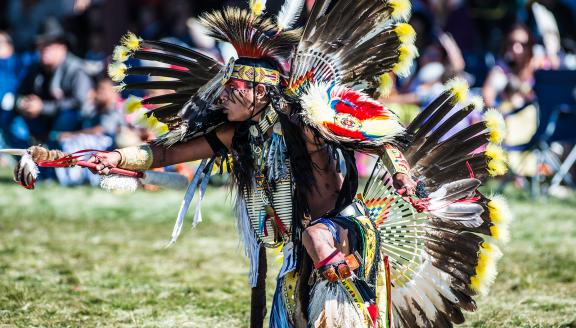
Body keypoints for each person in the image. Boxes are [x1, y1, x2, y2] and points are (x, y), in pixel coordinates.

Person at [15, 1, 512, 327]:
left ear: (258, 90)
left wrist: (404, 177)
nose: (224, 96)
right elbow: (166, 153)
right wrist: (112, 157)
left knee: (319, 243)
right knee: (299, 276)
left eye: (233, 88)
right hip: (303, 249)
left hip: (343, 233)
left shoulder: (311, 116)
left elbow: (382, 136)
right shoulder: (237, 134)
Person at [13, 17, 94, 149]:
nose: (43, 48)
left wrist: (42, 107)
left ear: (62, 46)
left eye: (48, 44)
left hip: (75, 126)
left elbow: (79, 103)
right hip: (41, 122)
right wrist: (24, 104)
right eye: (41, 44)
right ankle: (28, 159)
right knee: (11, 117)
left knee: (68, 115)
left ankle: (54, 155)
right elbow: (19, 94)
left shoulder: (76, 69)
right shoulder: (35, 68)